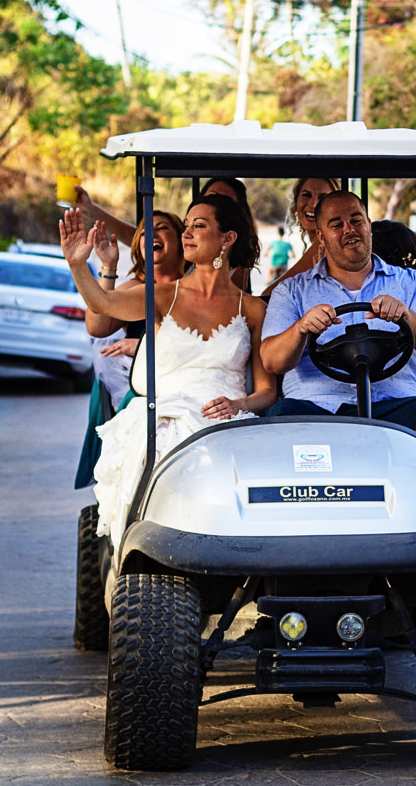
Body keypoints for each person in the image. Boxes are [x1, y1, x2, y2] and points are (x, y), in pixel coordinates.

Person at [59, 195, 276, 541]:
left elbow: (266, 392)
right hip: (168, 414)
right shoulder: (162, 295)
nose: (188, 233)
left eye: (199, 226)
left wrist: (239, 405)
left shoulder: (252, 309)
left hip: (226, 420)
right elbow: (102, 304)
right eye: (186, 226)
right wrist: (77, 266)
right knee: (162, 453)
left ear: (227, 238)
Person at [259, 190, 416, 455]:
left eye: (356, 220)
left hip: (390, 404)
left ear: (369, 225)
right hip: (315, 407)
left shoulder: (410, 282)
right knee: (280, 417)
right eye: (336, 224)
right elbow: (272, 360)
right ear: (321, 237)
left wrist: (406, 315)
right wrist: (301, 328)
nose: (349, 229)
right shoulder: (293, 291)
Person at [74, 211, 186, 491]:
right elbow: (97, 326)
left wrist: (140, 346)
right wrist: (108, 267)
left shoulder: (196, 288)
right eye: (145, 232)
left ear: (182, 240)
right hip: (144, 382)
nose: (153, 235)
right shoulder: (136, 287)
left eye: (162, 228)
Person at [73, 178, 261, 293]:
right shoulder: (155, 289)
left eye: (225, 202)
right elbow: (144, 238)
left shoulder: (235, 272)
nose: (217, 205)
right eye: (210, 198)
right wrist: (80, 264)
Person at [265, 177, 339, 292]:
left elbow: (268, 295)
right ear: (296, 201)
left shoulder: (323, 245)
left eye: (322, 198)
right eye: (306, 195)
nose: (313, 205)